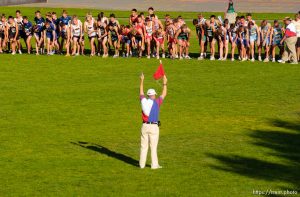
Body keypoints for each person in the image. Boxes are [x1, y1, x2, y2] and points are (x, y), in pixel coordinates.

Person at [139, 73, 167, 169]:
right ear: (154, 95)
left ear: (148, 95)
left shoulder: (143, 101)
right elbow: (164, 94)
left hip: (144, 126)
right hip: (154, 127)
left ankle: (141, 165)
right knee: (153, 147)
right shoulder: (156, 102)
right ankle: (154, 165)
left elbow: (141, 93)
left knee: (143, 146)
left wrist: (142, 80)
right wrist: (164, 83)